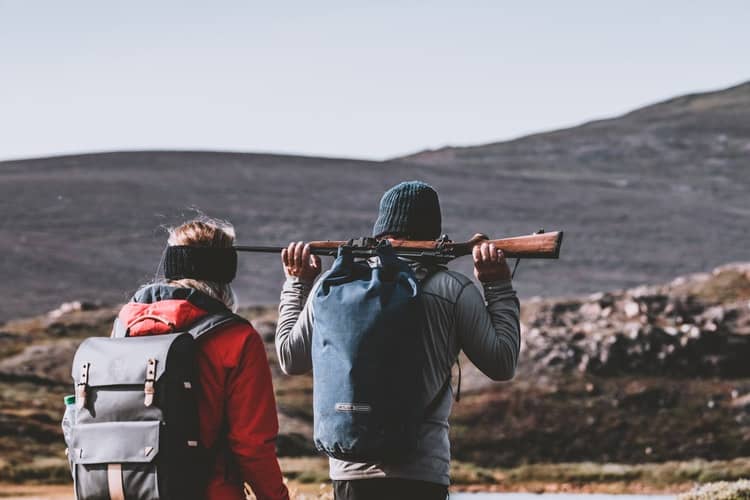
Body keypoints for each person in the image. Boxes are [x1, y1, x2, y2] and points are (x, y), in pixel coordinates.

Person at [276, 181, 521, 500]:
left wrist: (297, 284)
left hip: (350, 470)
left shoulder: (335, 287)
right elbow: (502, 364)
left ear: (380, 232)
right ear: (435, 235)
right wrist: (498, 285)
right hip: (421, 473)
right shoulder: (452, 289)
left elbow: (289, 358)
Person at [116, 218, 289, 500]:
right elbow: (252, 445)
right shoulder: (237, 337)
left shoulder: (126, 326)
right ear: (225, 272)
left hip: (134, 489)